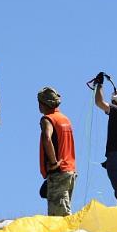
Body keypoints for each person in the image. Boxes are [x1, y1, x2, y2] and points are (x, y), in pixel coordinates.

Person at [91, 72, 117, 206]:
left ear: (115, 100)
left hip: (116, 157)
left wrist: (99, 85)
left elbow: (99, 102)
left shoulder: (116, 110)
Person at [38, 86, 77, 216]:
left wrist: (54, 162)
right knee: (64, 210)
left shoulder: (47, 119)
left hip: (58, 172)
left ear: (43, 103)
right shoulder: (64, 119)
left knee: (59, 218)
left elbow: (47, 138)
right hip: (70, 171)